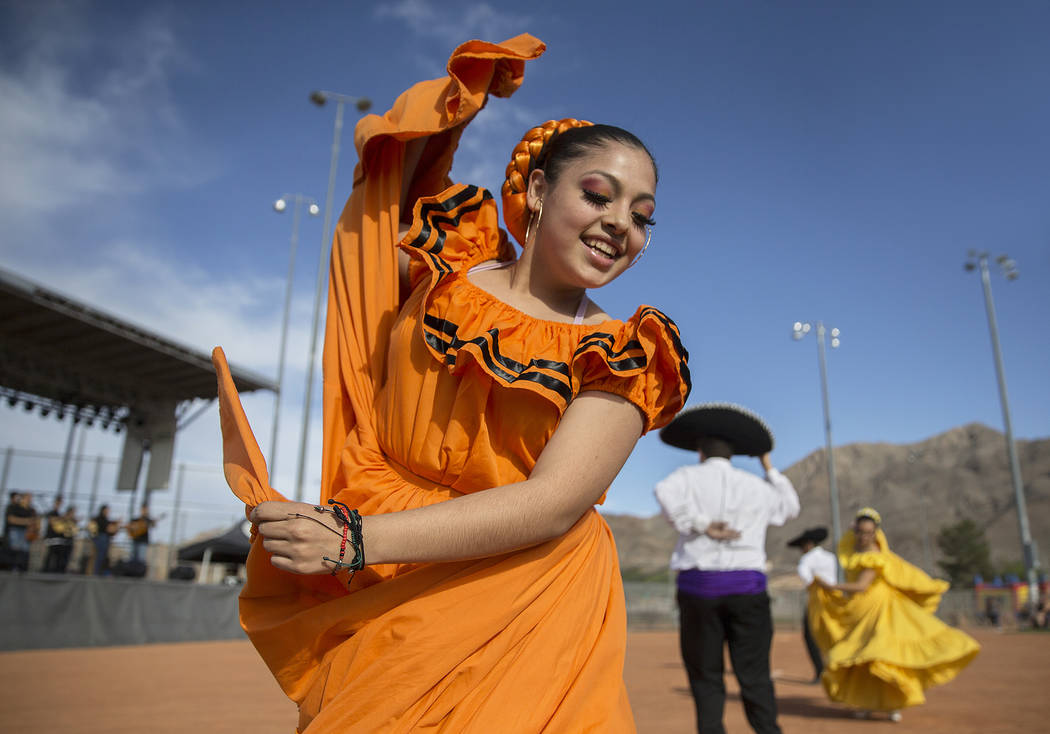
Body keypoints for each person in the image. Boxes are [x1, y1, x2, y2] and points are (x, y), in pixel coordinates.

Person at [212, 34, 690, 732]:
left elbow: (553, 503)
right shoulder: (444, 257)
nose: (622, 225)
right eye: (599, 195)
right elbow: (385, 189)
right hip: (383, 569)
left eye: (643, 217)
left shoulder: (624, 351)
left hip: (522, 594)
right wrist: (456, 107)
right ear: (533, 189)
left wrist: (352, 539)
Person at [653, 402, 799, 734]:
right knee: (755, 675)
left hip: (697, 589)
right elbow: (789, 508)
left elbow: (663, 494)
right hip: (748, 590)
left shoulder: (684, 478)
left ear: (700, 450)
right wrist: (769, 468)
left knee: (706, 677)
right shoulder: (757, 487)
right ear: (733, 453)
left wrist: (701, 524)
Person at [810, 508, 980, 722]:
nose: (864, 536)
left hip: (880, 609)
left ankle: (894, 703)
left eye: (868, 532)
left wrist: (832, 585)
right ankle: (866, 702)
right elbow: (849, 553)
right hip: (860, 611)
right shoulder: (853, 549)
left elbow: (862, 586)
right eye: (861, 532)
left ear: (876, 533)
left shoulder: (875, 555)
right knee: (864, 660)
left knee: (883, 657)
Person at [787, 526, 837, 683]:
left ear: (809, 544)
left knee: (811, 634)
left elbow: (806, 577)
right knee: (833, 633)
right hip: (835, 599)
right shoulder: (831, 557)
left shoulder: (807, 559)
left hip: (818, 600)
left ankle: (821, 671)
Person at [89, 505, 120, 576]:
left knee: (103, 556)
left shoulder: (106, 520)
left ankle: (100, 572)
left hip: (104, 539)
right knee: (100, 556)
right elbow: (94, 529)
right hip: (101, 539)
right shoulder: (98, 519)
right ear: (103, 510)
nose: (108, 512)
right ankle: (96, 572)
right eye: (107, 510)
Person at [42, 496, 68, 573]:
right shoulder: (52, 513)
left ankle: (53, 570)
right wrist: (62, 519)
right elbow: (52, 521)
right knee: (50, 554)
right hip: (51, 537)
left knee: (56, 555)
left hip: (57, 538)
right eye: (58, 502)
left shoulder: (58, 513)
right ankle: (45, 569)